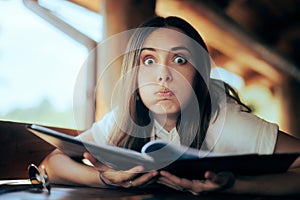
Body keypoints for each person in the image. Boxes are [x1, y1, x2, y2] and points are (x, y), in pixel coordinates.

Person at [40, 16, 300, 195]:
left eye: (179, 59)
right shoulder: (125, 119)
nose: (163, 74)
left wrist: (236, 186)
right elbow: (51, 164)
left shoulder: (225, 121)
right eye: (150, 61)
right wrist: (106, 179)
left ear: (199, 75)